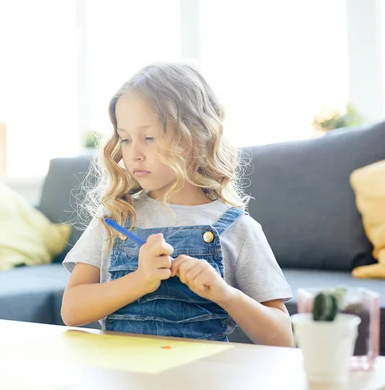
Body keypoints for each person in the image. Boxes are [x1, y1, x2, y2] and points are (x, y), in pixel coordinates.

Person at [61, 61, 293, 346]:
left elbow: (282, 338)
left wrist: (225, 293)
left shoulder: (238, 228)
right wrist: (139, 281)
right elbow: (71, 309)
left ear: (195, 137)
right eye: (125, 139)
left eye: (148, 138)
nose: (134, 153)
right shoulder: (117, 217)